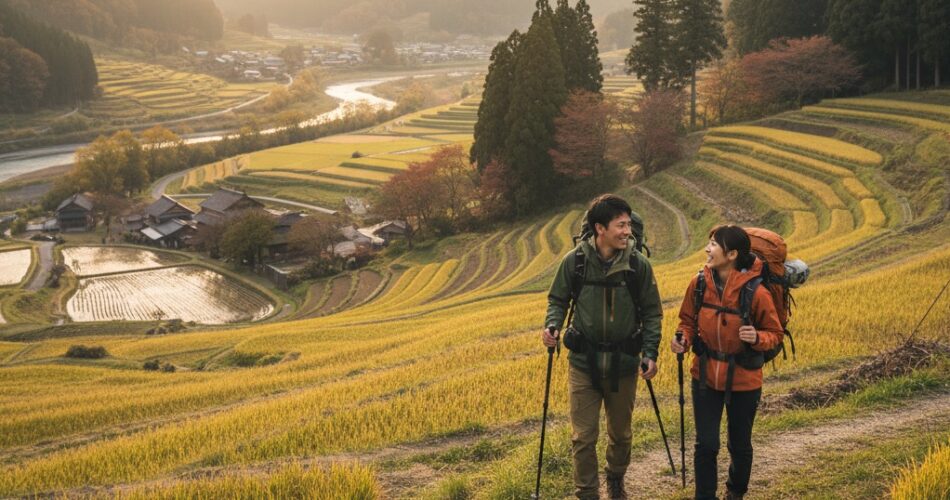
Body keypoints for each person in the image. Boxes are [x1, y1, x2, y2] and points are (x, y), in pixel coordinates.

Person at [542, 194, 663, 500]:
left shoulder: (638, 265)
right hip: (584, 361)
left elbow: (652, 312)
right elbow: (558, 299)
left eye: (628, 224)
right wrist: (552, 325)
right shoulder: (576, 262)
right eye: (620, 225)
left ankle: (616, 477)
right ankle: (587, 493)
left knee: (620, 435)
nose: (627, 231)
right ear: (600, 228)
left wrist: (650, 352)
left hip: (624, 362)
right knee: (583, 437)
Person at [671, 225, 784, 500]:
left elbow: (776, 334)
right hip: (705, 376)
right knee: (706, 444)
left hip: (744, 379)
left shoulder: (756, 293)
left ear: (732, 254)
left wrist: (757, 337)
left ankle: (735, 492)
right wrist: (683, 339)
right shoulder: (698, 283)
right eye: (709, 243)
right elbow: (687, 320)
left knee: (739, 444)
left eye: (714, 244)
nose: (707, 249)